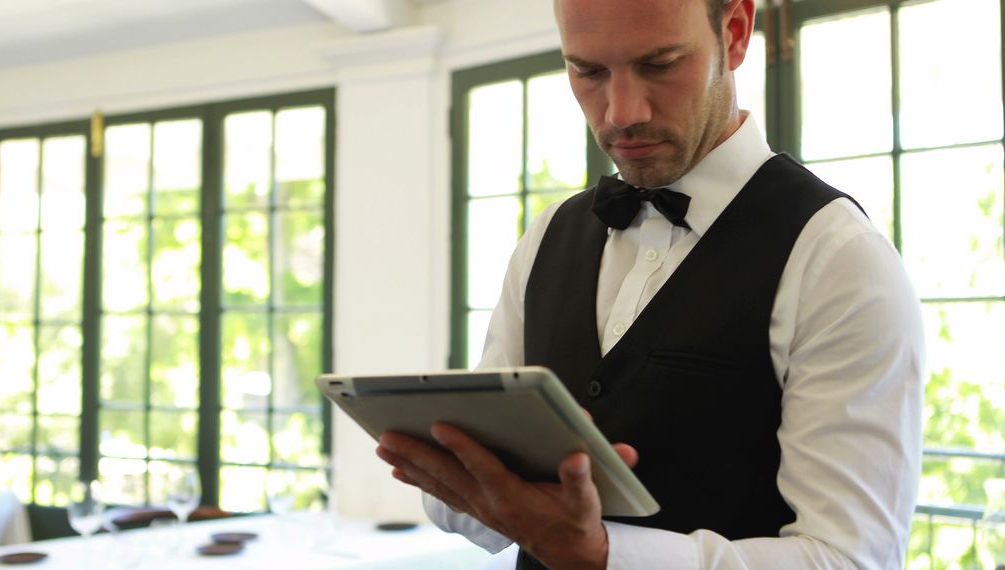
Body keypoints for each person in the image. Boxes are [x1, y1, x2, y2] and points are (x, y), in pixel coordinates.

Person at [375, 0, 925, 567]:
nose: (620, 112)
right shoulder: (547, 237)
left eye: (660, 64)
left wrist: (606, 554)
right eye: (588, 72)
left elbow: (850, 558)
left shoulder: (836, 256)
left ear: (734, 32)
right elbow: (467, 514)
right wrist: (457, 477)